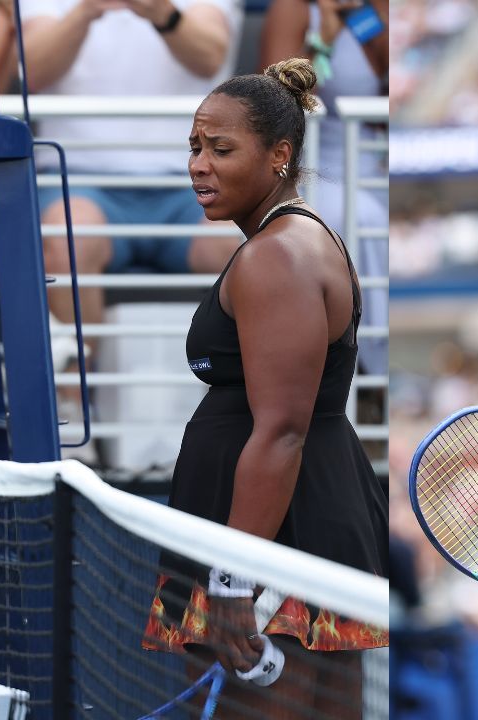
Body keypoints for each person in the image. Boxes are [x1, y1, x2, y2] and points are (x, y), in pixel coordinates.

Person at [141, 59, 388, 719]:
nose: (199, 166)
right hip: (277, 531)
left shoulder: (278, 255)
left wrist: (232, 582)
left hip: (276, 541)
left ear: (279, 156)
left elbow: (281, 430)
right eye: (195, 147)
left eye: (221, 150)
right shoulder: (283, 242)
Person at [20, 0, 244, 404]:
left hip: (190, 180)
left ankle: (245, 406)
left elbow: (211, 56)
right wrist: (87, 10)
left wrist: (160, 11)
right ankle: (73, 409)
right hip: (79, 178)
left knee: (244, 249)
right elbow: (31, 70)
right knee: (67, 241)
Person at [259, 0, 389, 376]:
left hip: (375, 163)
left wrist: (366, 21)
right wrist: (324, 39)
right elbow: (273, 103)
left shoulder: (373, 13)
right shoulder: (294, 10)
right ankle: (366, 369)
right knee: (362, 218)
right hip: (316, 166)